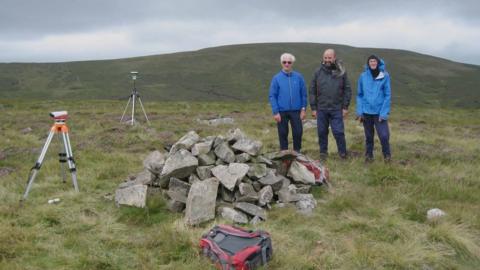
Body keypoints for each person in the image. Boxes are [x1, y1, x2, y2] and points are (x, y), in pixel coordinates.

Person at [309, 49, 352, 159]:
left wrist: (345, 107)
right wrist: (313, 108)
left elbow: (347, 89)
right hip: (321, 108)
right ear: (323, 58)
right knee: (322, 132)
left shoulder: (341, 72)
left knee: (338, 132)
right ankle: (323, 153)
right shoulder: (317, 72)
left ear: (334, 58)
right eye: (326, 58)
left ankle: (342, 153)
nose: (327, 60)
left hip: (337, 108)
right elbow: (312, 91)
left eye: (330, 58)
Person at [268, 53, 308, 153]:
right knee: (282, 133)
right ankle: (284, 154)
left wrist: (303, 109)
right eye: (284, 62)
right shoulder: (276, 78)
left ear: (292, 63)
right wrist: (275, 111)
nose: (286, 64)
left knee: (298, 132)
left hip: (296, 111)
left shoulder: (299, 77)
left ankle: (297, 152)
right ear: (281, 63)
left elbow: (303, 94)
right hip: (281, 111)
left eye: (289, 62)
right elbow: (272, 96)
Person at [356, 55, 392, 162]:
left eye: (374, 61)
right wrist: (360, 111)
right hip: (366, 112)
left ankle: (387, 155)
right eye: (370, 61)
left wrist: (384, 113)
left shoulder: (384, 76)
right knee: (369, 136)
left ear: (378, 63)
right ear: (368, 63)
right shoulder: (363, 76)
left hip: (379, 112)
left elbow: (387, 95)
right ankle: (369, 156)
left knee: (384, 135)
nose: (372, 63)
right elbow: (360, 95)